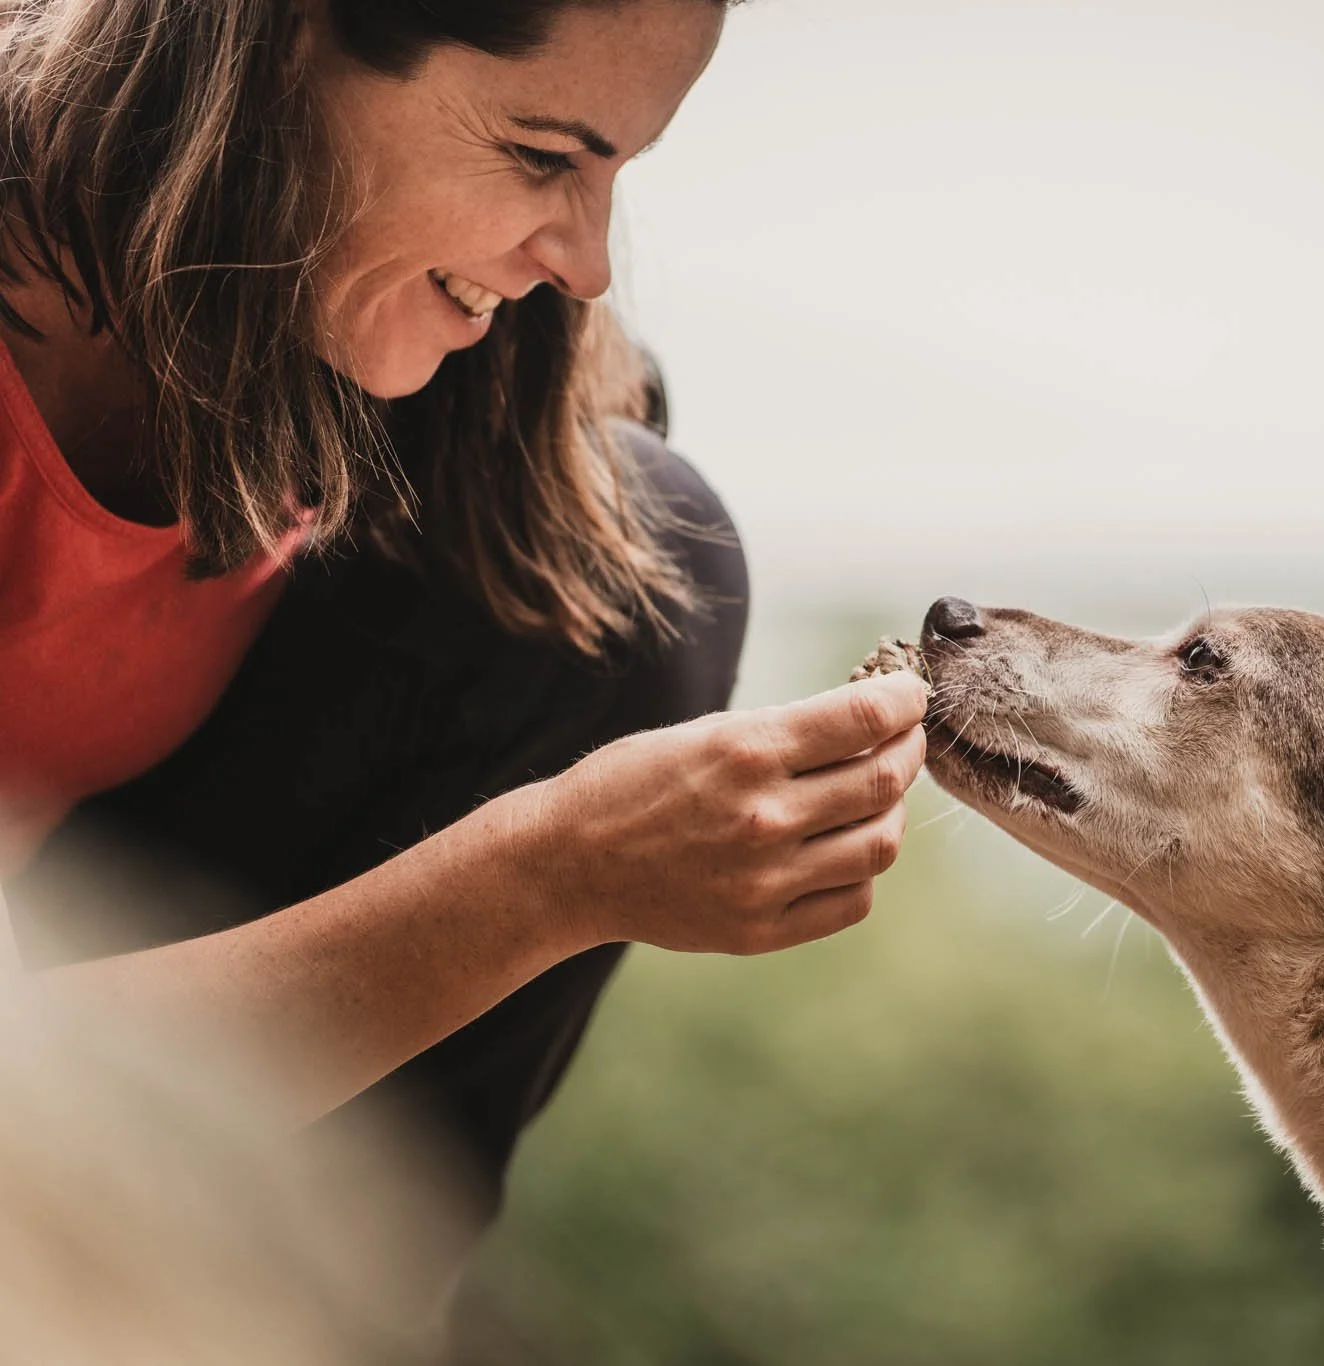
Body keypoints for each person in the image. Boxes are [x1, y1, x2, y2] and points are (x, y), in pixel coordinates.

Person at [0, 0, 929, 1336]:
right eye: (546, 156)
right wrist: (552, 870)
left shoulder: (382, 358)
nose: (590, 261)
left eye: (617, 175)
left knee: (641, 555)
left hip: (112, 1011)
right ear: (285, 44)